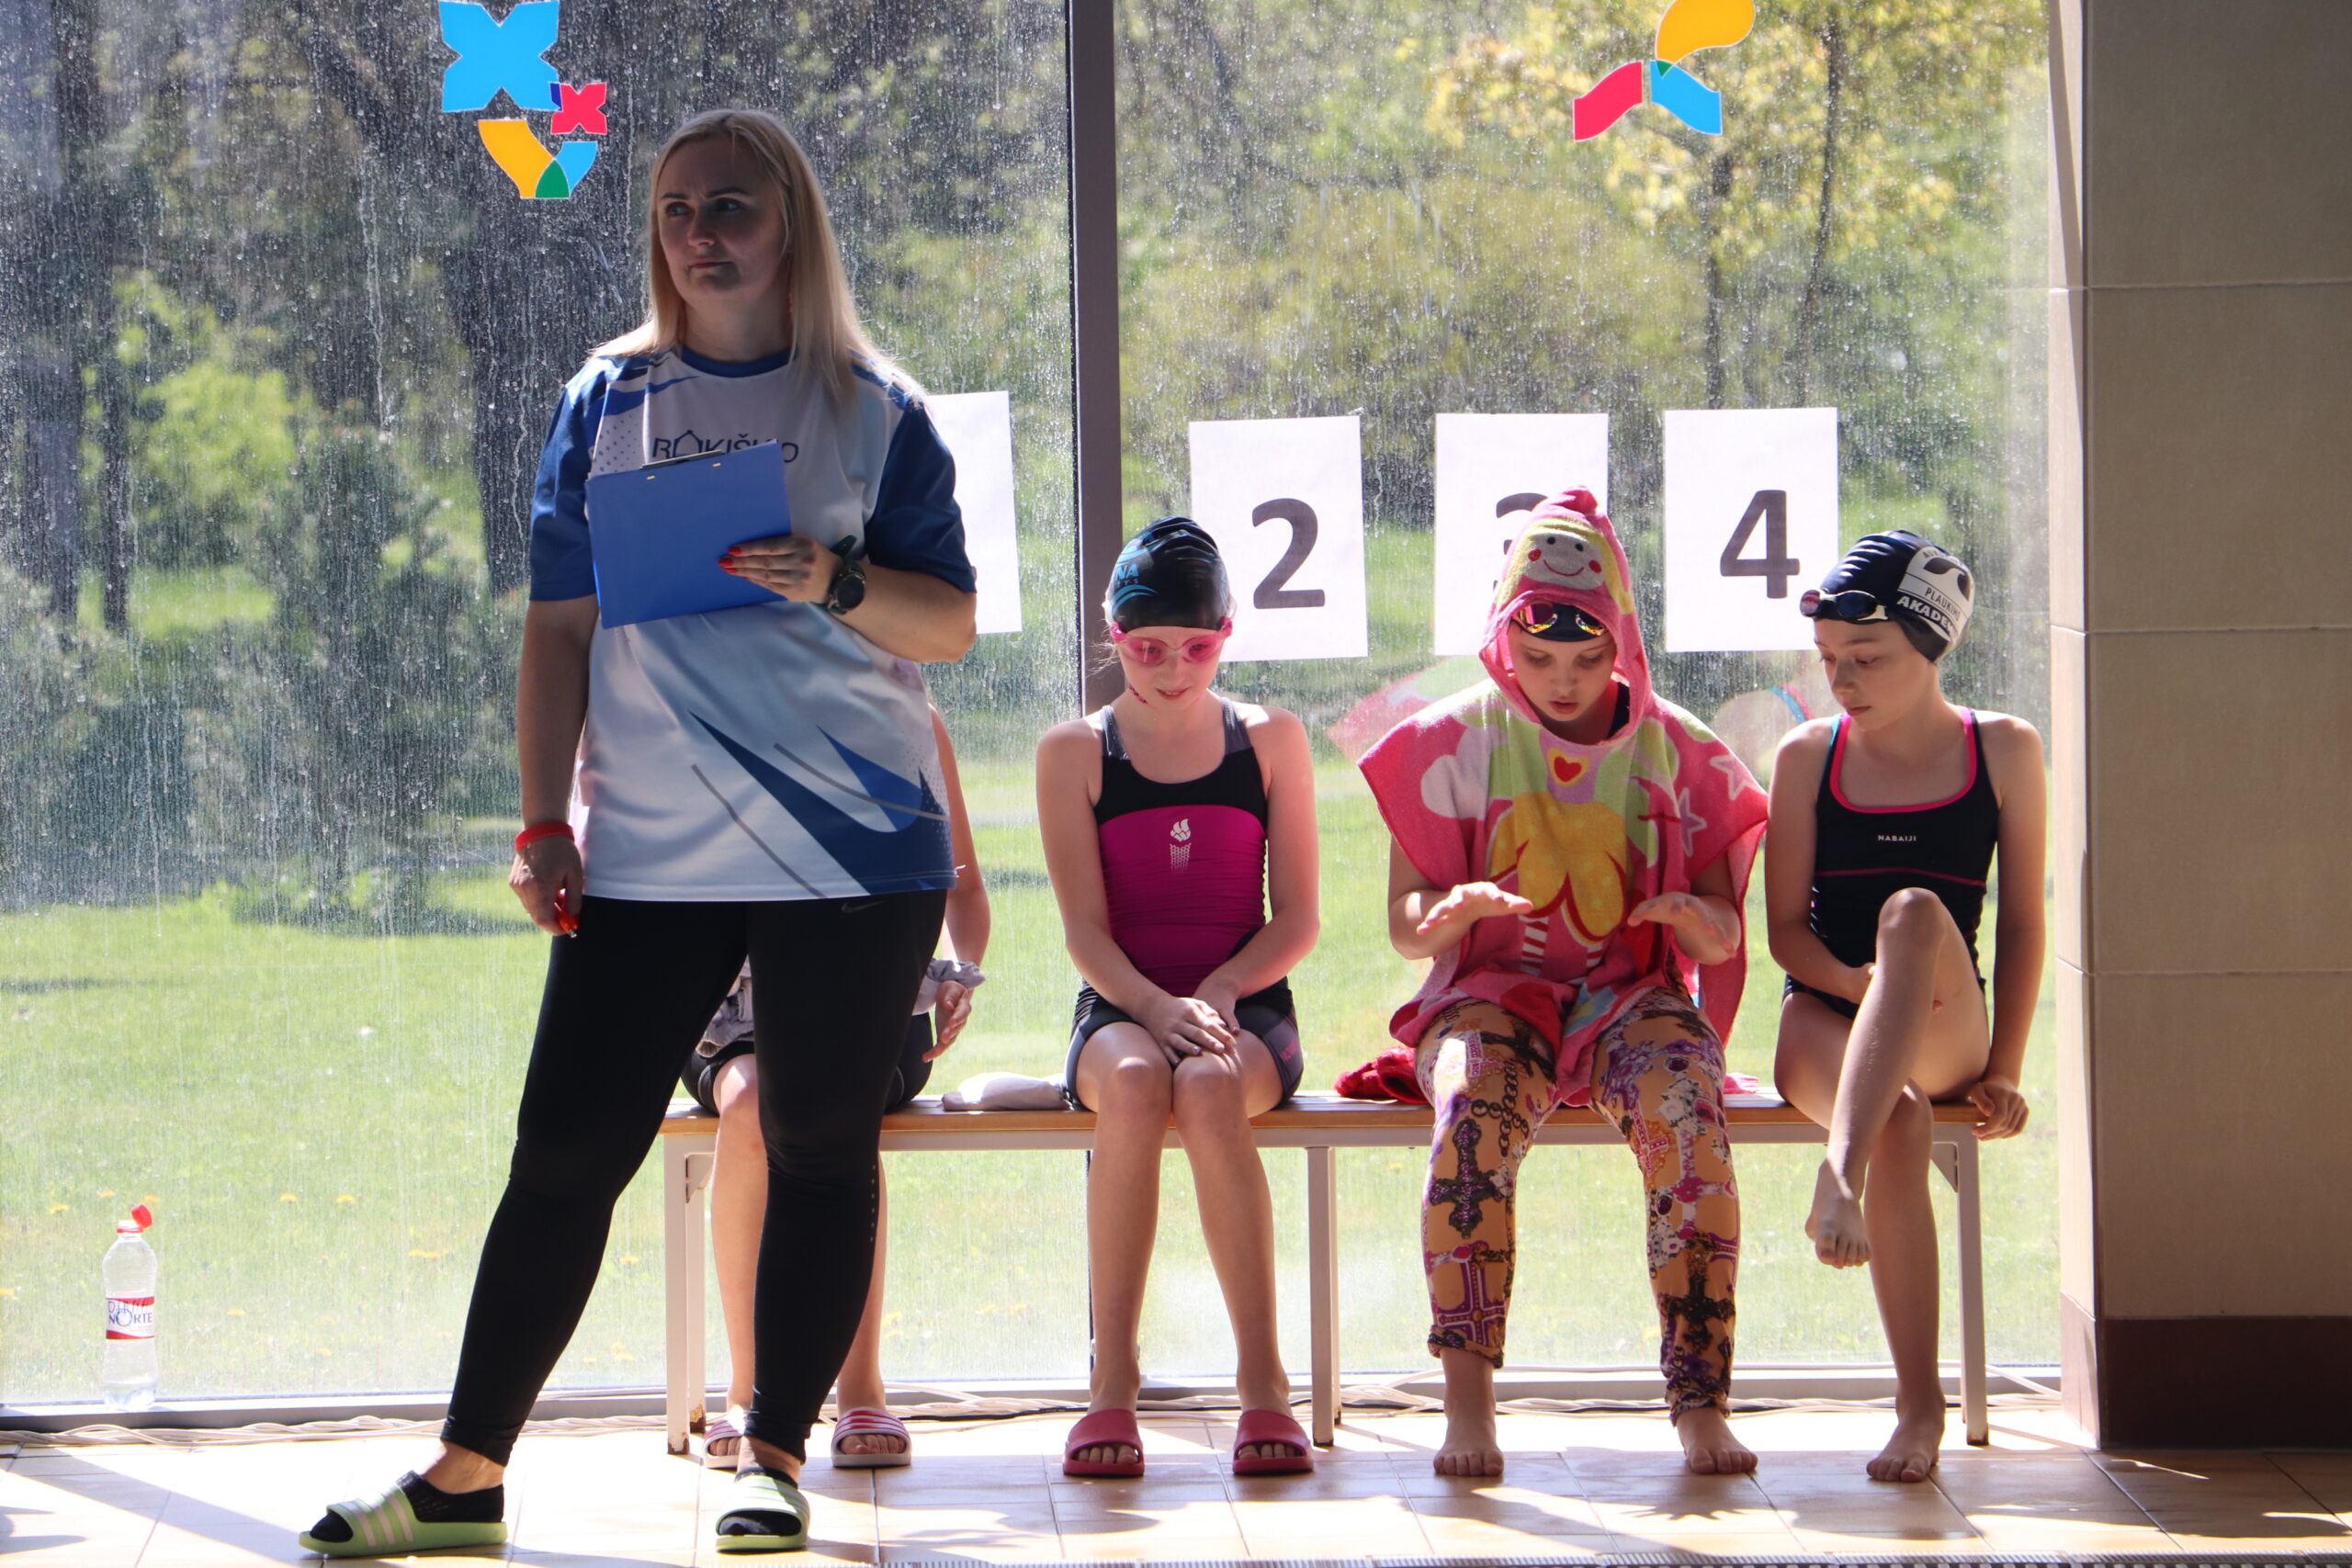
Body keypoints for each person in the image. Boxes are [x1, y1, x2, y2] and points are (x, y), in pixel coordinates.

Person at [300, 107, 977, 1559]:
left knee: (815, 1142)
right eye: (676, 208)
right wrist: (543, 816)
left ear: (790, 223)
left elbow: (951, 625)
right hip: (649, 849)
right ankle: (463, 1475)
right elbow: (558, 627)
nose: (700, 232)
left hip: (854, 848)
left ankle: (772, 1455)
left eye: (731, 205)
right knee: (563, 1149)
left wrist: (835, 579)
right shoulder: (605, 395)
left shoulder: (878, 408)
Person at [1360, 490, 1769, 1479]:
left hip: (1635, 997)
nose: (1562, 681)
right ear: (1502, 635)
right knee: (1470, 1117)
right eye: (1538, 658)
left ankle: (1700, 1400)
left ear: (1621, 639)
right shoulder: (1450, 741)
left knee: (1688, 1120)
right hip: (1491, 995)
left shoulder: (1680, 749)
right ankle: (1468, 1404)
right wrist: (1449, 912)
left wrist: (1693, 919)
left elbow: (1723, 936)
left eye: (1587, 660)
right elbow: (1405, 925)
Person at [1035, 518, 1320, 1479]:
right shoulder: (1074, 752)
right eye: (1147, 648)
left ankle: (1263, 1381)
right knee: (1133, 1082)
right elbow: (1084, 933)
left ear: (1227, 635)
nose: (1170, 670)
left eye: (1195, 648)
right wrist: (1157, 1008)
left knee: (1205, 1085)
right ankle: (1112, 1378)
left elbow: (1299, 919)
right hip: (1121, 1005)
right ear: (1112, 635)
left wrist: (1223, 988)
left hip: (1245, 1006)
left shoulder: (1270, 739)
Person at [1766, 532, 2044, 1483]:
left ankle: (1833, 1176)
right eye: (1828, 659)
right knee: (1899, 1118)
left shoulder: (2004, 749)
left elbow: (2023, 927)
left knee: (1916, 912)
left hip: (1940, 1017)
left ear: (1932, 646)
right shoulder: (1806, 757)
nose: (1841, 680)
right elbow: (1786, 934)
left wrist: (2006, 1068)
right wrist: (1863, 988)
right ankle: (1920, 1406)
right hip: (1826, 1011)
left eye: (1866, 658)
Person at [694, 705, 989, 1472]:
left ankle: (862, 1383)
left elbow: (962, 889)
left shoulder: (909, 718)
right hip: (730, 1008)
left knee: (838, 1102)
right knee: (753, 1102)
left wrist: (959, 975)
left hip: (873, 995)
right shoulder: (712, 699)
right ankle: (748, 1386)